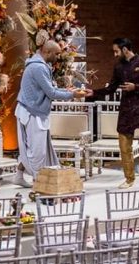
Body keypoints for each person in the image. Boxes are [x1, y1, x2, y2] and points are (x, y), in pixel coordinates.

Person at [83, 38, 139, 189]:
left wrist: (135, 87)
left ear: (124, 49)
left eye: (116, 51)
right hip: (127, 110)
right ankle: (129, 179)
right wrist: (93, 93)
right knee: (124, 147)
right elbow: (111, 88)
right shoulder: (119, 67)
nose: (115, 54)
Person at [12, 39, 87, 187]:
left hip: (30, 110)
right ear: (47, 52)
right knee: (37, 152)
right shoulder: (38, 68)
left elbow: (48, 89)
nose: (58, 57)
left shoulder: (39, 65)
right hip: (32, 113)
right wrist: (73, 95)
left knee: (34, 148)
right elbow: (51, 93)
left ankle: (19, 176)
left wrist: (68, 91)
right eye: (56, 54)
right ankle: (38, 183)